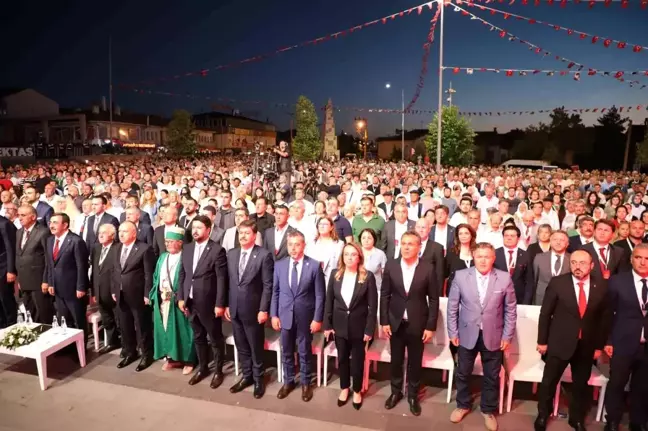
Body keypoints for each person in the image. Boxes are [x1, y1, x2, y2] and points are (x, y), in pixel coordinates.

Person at [534, 250, 611, 431]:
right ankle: (543, 415)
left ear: (592, 266)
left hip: (586, 345)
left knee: (580, 385)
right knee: (549, 382)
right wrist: (542, 341)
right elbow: (545, 314)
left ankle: (576, 418)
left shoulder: (601, 285)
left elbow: (605, 318)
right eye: (574, 262)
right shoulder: (558, 283)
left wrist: (599, 346)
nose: (578, 266)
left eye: (583, 263)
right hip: (559, 342)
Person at [448, 243, 517, 431]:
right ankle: (462, 405)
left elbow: (511, 310)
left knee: (492, 375)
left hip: (494, 334)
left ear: (493, 258)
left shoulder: (503, 278)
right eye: (480, 256)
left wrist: (507, 335)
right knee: (462, 372)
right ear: (473, 257)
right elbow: (452, 307)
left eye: (487, 256)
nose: (483, 260)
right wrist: (452, 332)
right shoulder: (462, 276)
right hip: (466, 333)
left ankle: (488, 410)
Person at [381, 231, 439, 416]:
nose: (406, 247)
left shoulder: (428, 268)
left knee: (415, 361)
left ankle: (413, 395)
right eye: (403, 243)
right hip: (396, 321)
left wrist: (430, 326)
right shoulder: (391, 265)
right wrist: (384, 321)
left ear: (419, 247)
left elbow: (434, 300)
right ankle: (395, 392)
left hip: (418, 323)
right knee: (396, 360)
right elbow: (384, 295)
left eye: (410, 244)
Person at [271, 230, 325, 402]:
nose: (293, 248)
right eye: (290, 244)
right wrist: (274, 314)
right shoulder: (280, 265)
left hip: (305, 317)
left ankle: (305, 383)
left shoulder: (314, 266)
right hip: (284, 315)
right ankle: (288, 382)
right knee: (286, 350)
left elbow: (319, 295)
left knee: (304, 351)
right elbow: (275, 292)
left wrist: (317, 318)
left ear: (304, 245)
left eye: (297, 244)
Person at [324, 242, 378, 410]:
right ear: (342, 257)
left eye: (353, 254)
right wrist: (327, 325)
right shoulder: (335, 275)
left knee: (357, 361)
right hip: (339, 326)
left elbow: (372, 306)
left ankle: (356, 390)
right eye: (346, 254)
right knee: (342, 359)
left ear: (359, 257)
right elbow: (329, 302)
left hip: (359, 327)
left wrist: (369, 329)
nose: (349, 257)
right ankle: (344, 388)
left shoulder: (367, 277)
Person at [178, 215, 228, 388]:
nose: (195, 231)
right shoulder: (188, 248)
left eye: (199, 227)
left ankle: (219, 371)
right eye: (194, 227)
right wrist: (181, 297)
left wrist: (220, 304)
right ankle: (203, 368)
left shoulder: (217, 250)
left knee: (215, 338)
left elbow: (222, 279)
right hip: (190, 302)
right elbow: (182, 275)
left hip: (209, 303)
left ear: (208, 229)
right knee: (198, 337)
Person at [225, 220, 274, 399]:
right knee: (241, 345)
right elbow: (229, 282)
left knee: (255, 347)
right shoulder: (232, 254)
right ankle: (247, 376)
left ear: (254, 235)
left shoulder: (263, 255)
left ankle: (259, 379)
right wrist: (227, 305)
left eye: (247, 233)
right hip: (235, 308)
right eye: (240, 233)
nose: (243, 236)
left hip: (254, 309)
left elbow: (268, 285)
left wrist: (263, 309)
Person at [604, 243, 648, 431]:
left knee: (643, 386)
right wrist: (607, 341)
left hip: (646, 347)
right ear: (631, 259)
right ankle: (612, 421)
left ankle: (637, 422)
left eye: (647, 259)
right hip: (622, 343)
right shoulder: (617, 281)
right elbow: (606, 314)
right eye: (638, 257)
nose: (643, 262)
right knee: (617, 384)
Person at [149, 226, 195, 375]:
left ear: (180, 242)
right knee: (165, 329)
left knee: (183, 331)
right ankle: (172, 358)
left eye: (171, 241)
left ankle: (189, 360)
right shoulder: (163, 257)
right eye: (166, 241)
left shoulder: (186, 257)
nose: (167, 244)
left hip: (178, 299)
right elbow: (156, 276)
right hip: (163, 298)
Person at [111, 221, 156, 371]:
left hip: (138, 295)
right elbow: (115, 271)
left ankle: (146, 354)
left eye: (125, 231)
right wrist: (114, 289)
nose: (121, 234)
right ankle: (131, 352)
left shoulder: (144, 249)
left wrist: (147, 293)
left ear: (134, 233)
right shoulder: (117, 248)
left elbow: (149, 274)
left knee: (142, 326)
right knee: (125, 326)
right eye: (120, 231)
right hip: (121, 294)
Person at [45, 213, 89, 342]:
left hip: (73, 289)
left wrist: (81, 287)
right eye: (51, 222)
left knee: (78, 319)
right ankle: (67, 345)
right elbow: (50, 265)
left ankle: (81, 347)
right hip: (57, 288)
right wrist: (50, 283)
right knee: (63, 319)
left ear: (65, 225)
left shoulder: (76, 241)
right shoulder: (50, 240)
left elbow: (82, 266)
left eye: (55, 222)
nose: (51, 225)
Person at [15, 205, 52, 324]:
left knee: (43, 313)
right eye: (19, 215)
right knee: (29, 312)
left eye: (23, 215)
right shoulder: (19, 232)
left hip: (39, 280)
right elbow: (19, 255)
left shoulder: (43, 232)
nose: (20, 218)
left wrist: (46, 280)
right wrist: (20, 279)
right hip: (25, 280)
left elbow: (48, 258)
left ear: (33, 217)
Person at [90, 224, 120, 353]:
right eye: (99, 232)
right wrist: (93, 290)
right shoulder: (96, 248)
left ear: (112, 235)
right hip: (99, 290)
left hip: (113, 291)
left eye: (104, 233)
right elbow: (95, 270)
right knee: (107, 319)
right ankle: (112, 342)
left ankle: (125, 343)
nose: (100, 235)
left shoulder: (118, 248)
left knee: (118, 318)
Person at [530, 230, 571, 306]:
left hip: (564, 301)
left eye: (562, 240)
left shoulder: (572, 259)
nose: (558, 242)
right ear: (550, 242)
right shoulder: (539, 258)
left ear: (567, 244)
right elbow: (534, 281)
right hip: (541, 299)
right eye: (555, 239)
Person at [494, 225, 533, 304]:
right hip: (497, 298)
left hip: (519, 298)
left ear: (518, 238)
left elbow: (529, 281)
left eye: (512, 236)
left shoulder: (526, 255)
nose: (509, 238)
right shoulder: (494, 254)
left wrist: (526, 302)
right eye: (506, 235)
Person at [305, 216, 344, 287]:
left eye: (325, 224)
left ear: (331, 227)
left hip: (331, 280)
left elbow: (341, 264)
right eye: (320, 224)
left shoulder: (339, 244)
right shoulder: (310, 243)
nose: (322, 226)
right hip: (312, 281)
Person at [414, 217, 445, 296]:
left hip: (429, 291)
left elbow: (439, 274)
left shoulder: (437, 248)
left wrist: (438, 295)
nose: (421, 230)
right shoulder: (407, 244)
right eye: (418, 227)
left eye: (423, 227)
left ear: (429, 229)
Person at [445, 224, 477, 294]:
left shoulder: (477, 251)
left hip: (474, 290)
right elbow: (446, 272)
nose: (463, 236)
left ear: (471, 235)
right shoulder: (452, 252)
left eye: (466, 233)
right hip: (454, 290)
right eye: (460, 234)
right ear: (457, 236)